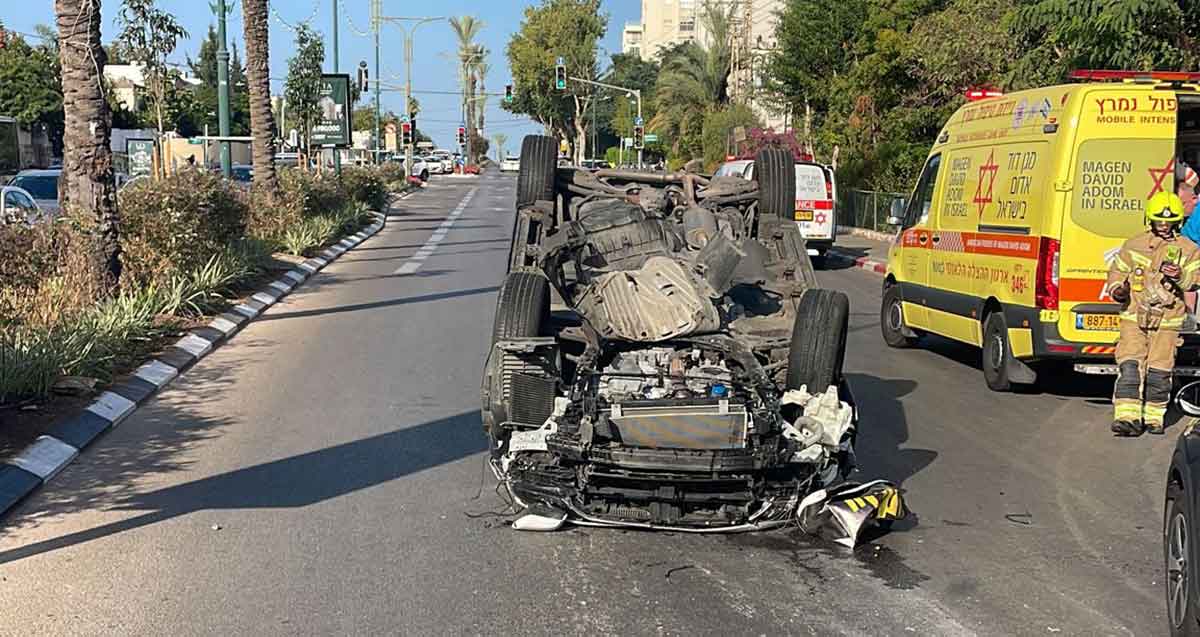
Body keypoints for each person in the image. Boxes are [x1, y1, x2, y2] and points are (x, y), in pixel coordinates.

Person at [1107, 191, 1200, 436]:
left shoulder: (1188, 249)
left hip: (1168, 320)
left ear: (1177, 222)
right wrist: (1119, 290)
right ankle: (1127, 417)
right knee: (1130, 365)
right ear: (1150, 219)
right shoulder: (1134, 244)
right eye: (1159, 221)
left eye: (1169, 222)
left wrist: (1180, 276)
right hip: (1133, 317)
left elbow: (1196, 280)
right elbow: (1116, 273)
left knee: (1160, 369)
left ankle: (1153, 418)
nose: (1164, 226)